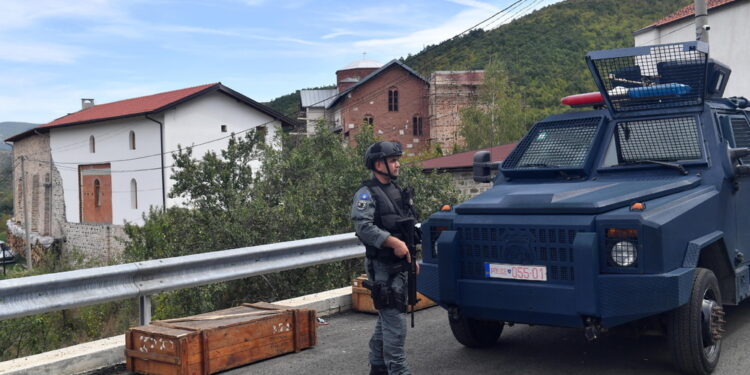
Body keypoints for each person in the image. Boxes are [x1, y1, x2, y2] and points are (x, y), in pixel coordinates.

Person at [351, 141, 419, 375]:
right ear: (378, 164)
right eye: (393, 160)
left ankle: (378, 368)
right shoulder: (366, 193)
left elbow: (407, 228)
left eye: (397, 160)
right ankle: (397, 370)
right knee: (395, 326)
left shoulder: (397, 191)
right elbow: (364, 228)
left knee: (388, 318)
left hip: (400, 265)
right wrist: (393, 242)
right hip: (382, 267)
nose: (398, 164)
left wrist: (412, 258)